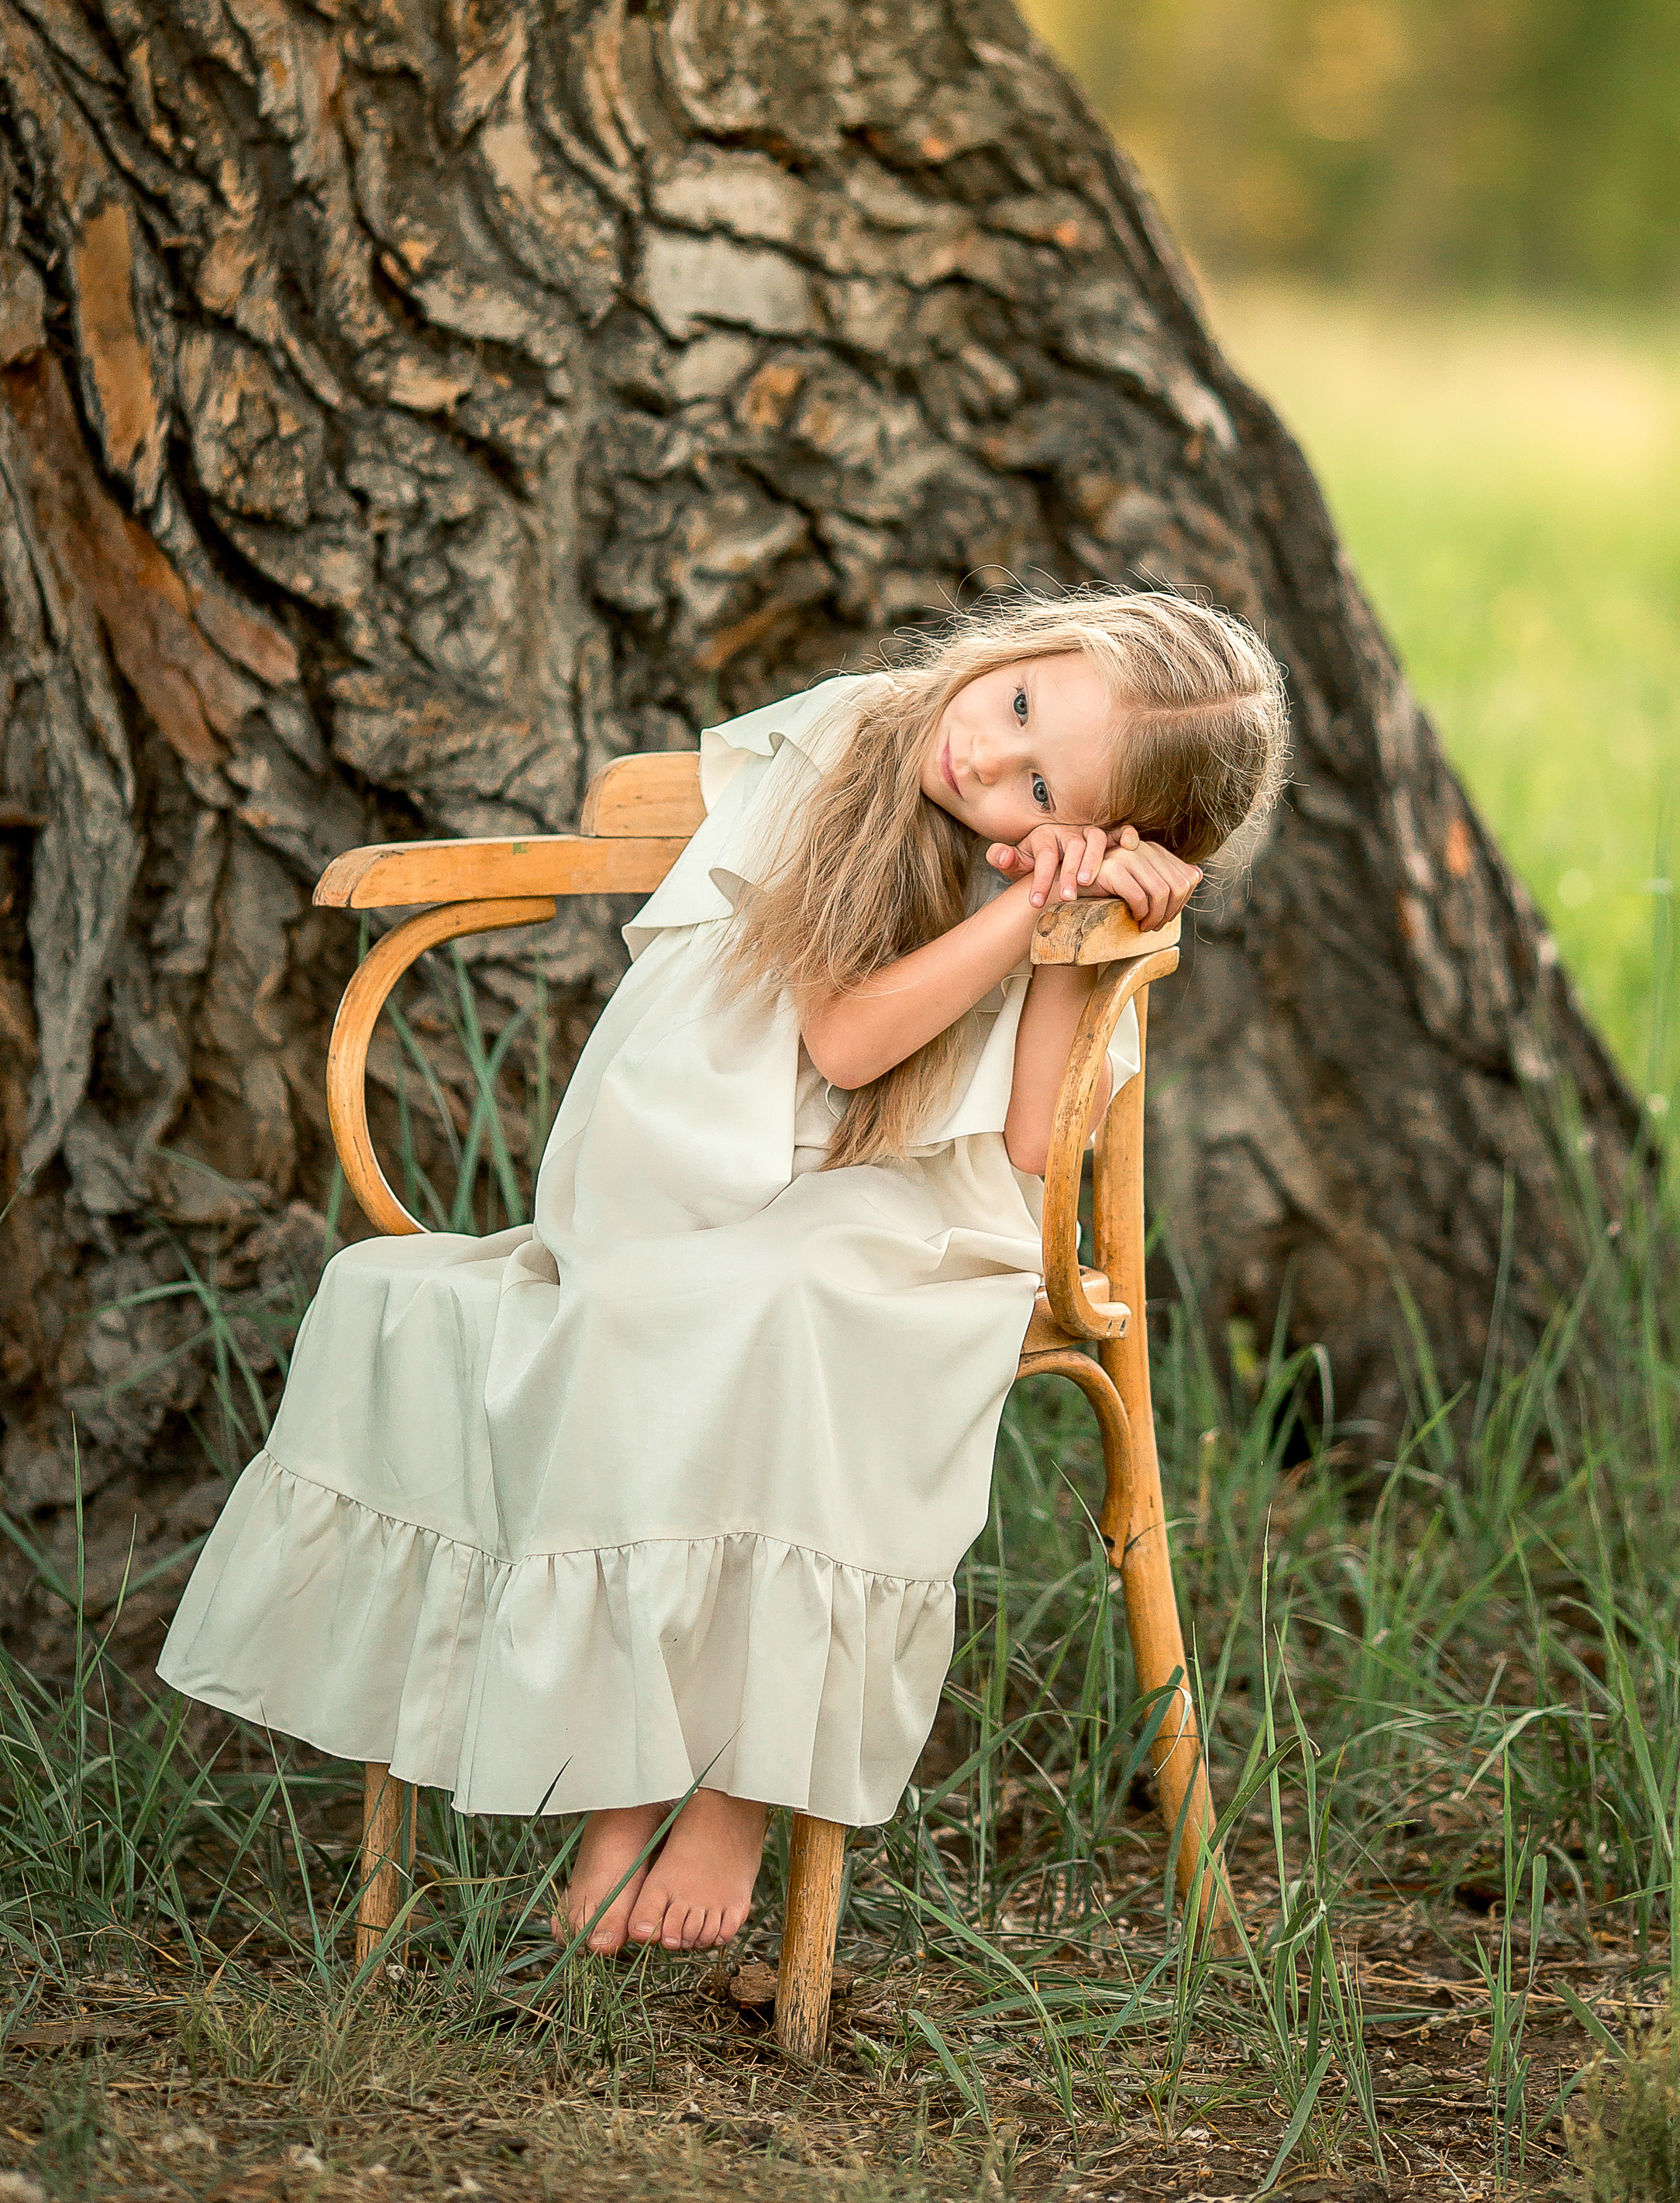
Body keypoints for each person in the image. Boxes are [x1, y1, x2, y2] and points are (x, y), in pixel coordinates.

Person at [160, 588, 1289, 1958]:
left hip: (904, 1211)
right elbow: (849, 1046)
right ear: (1018, 649)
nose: (989, 762)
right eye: (1018, 708)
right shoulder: (841, 747)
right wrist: (1022, 906)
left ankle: (741, 1792)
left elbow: (1034, 1143)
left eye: (1043, 785)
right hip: (685, 1177)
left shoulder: (1049, 880)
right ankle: (629, 1774)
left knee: (812, 1301)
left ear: (1103, 826)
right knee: (697, 1306)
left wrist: (1071, 932)